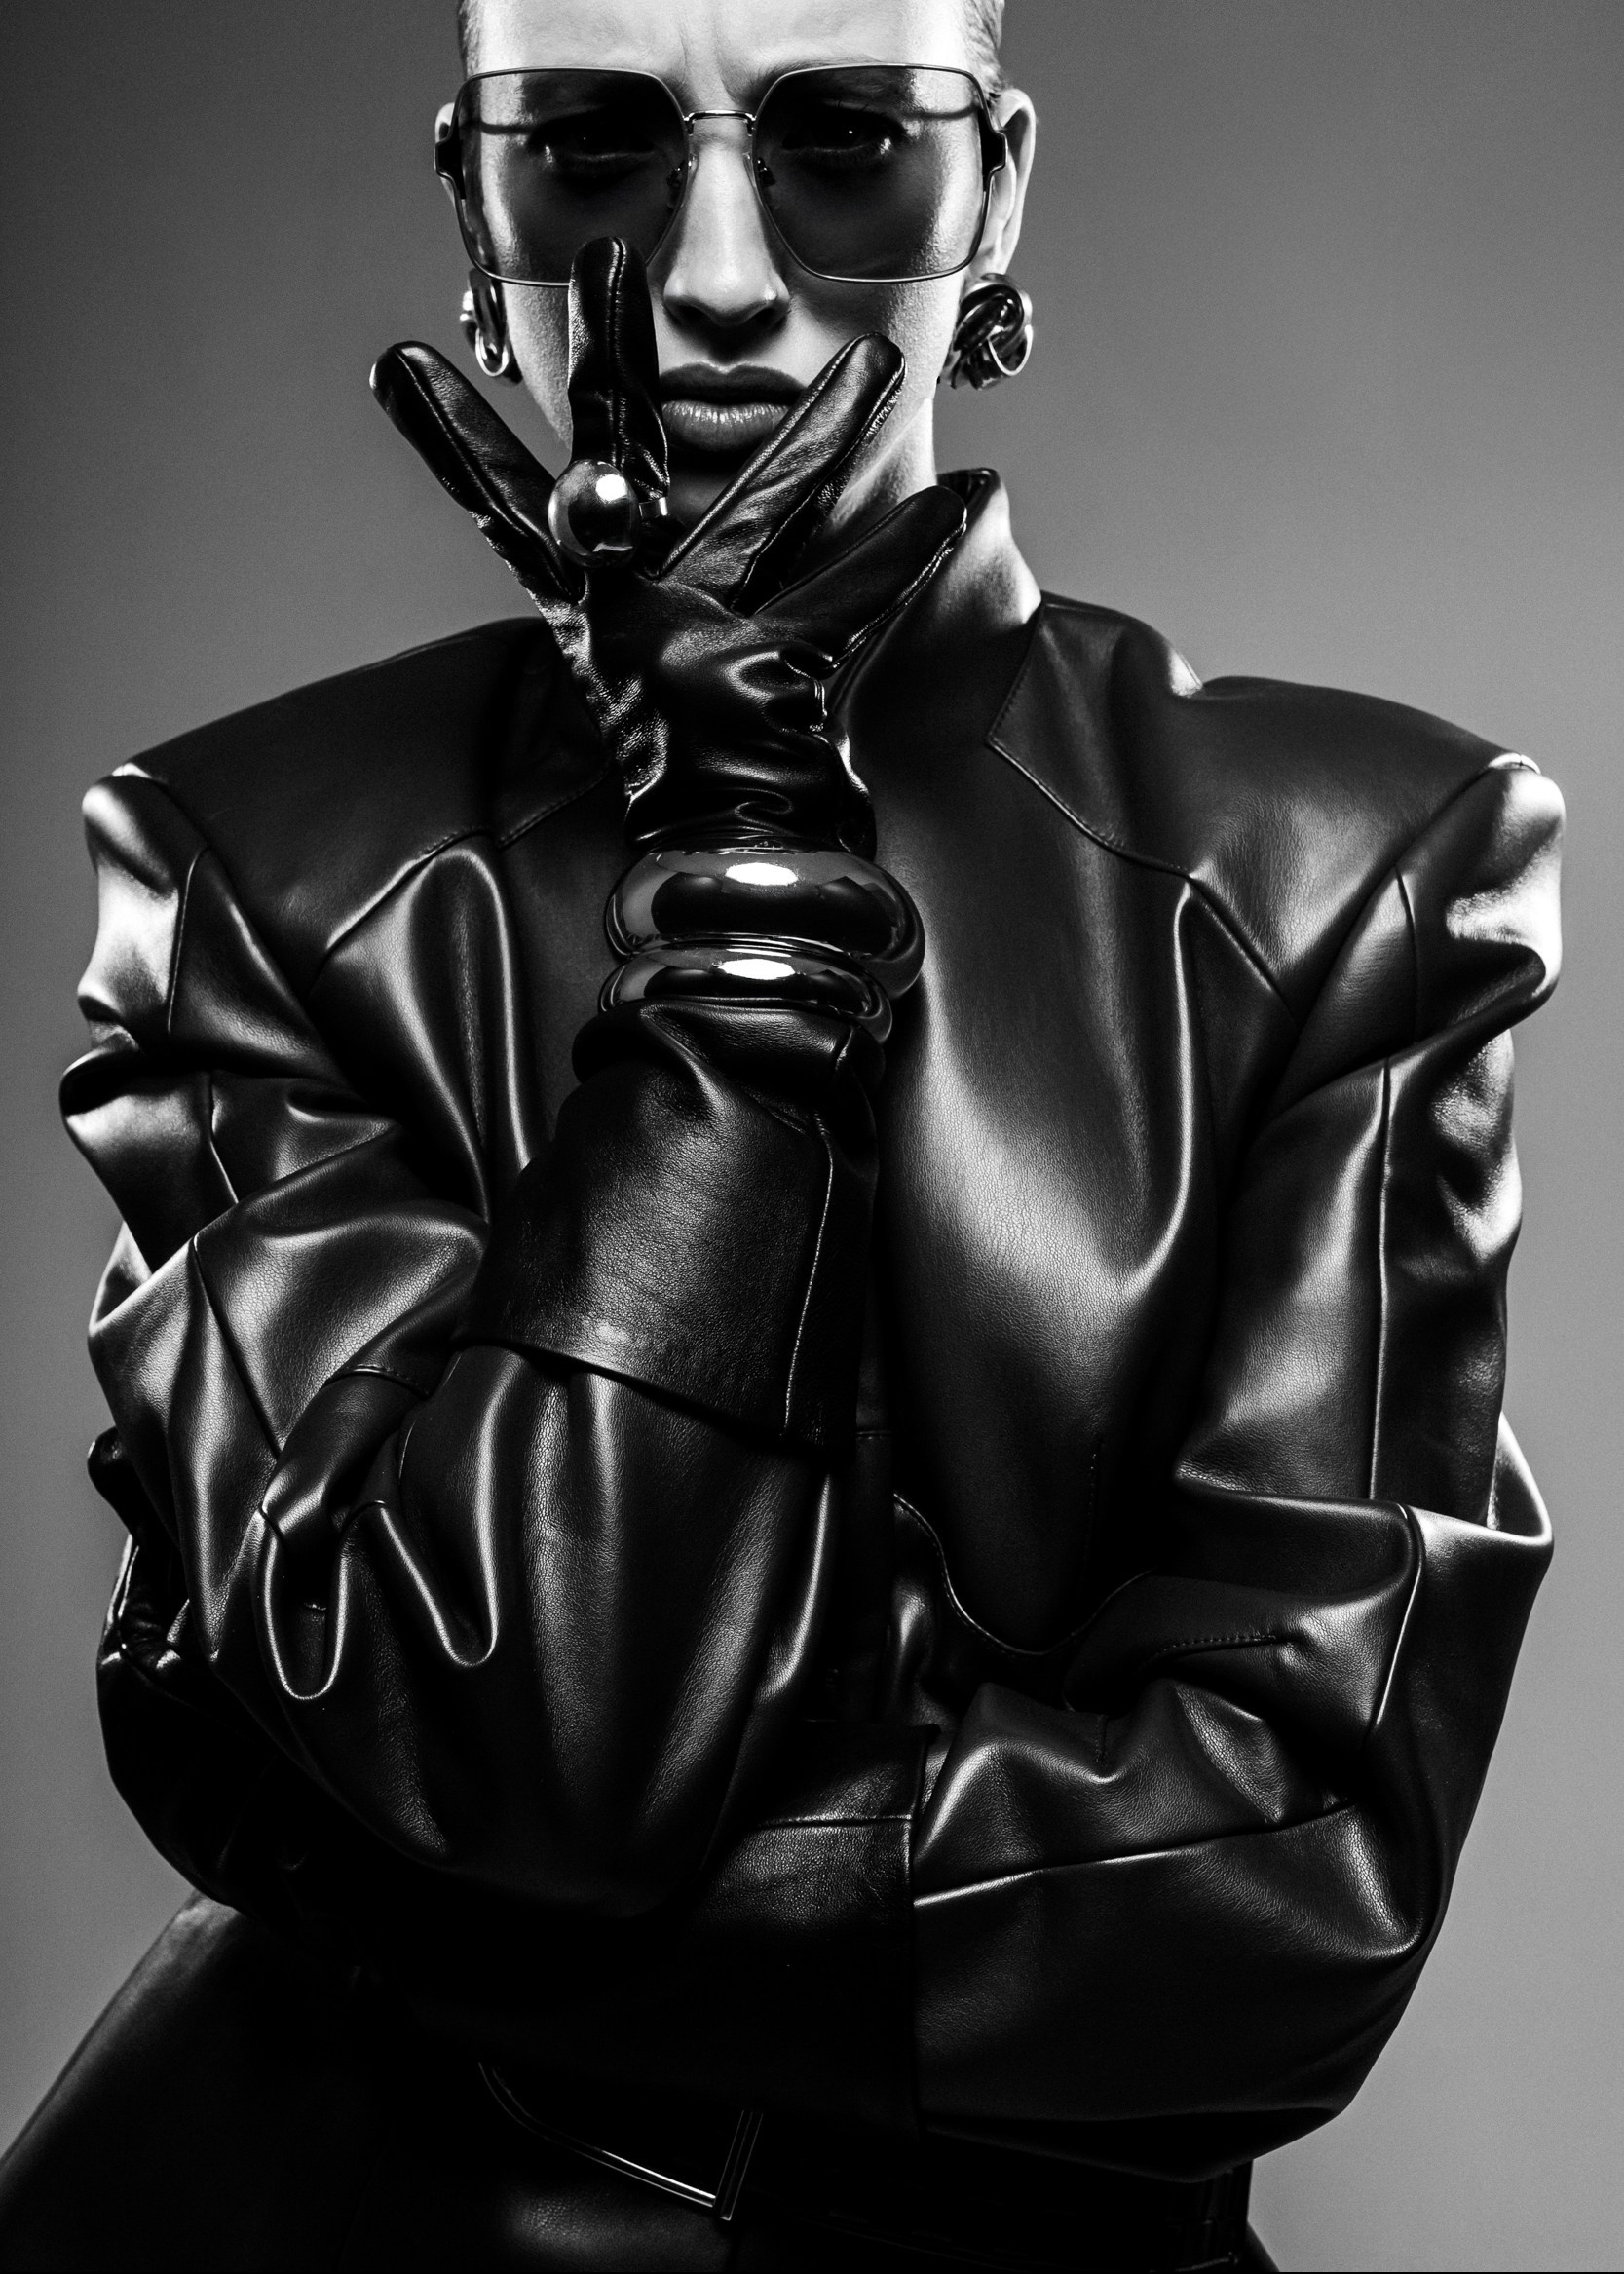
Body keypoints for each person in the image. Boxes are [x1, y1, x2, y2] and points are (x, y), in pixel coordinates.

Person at [0, 0, 1563, 2267]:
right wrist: (738, 922)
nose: (721, 275)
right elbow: (532, 1723)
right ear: (475, 209)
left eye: (845, 141)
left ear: (994, 189)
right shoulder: (250, 863)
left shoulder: (1352, 868)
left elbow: (1282, 1910)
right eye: (593, 149)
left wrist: (398, 1875)